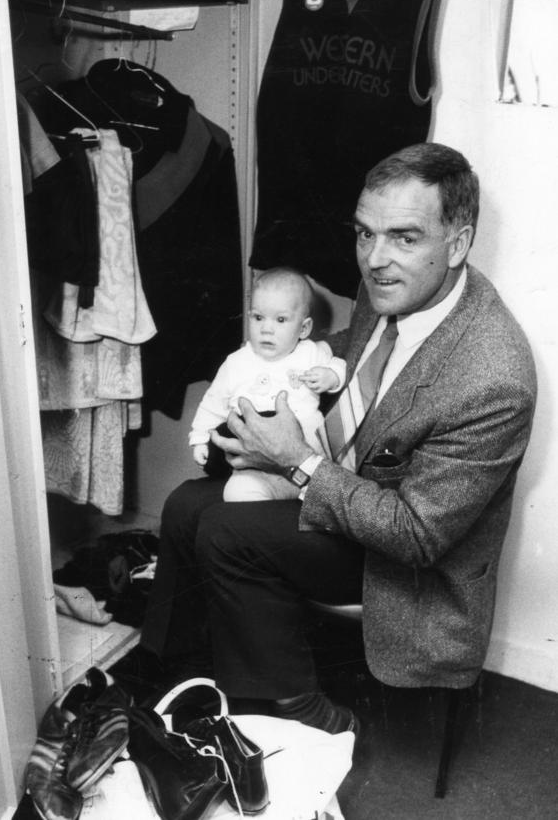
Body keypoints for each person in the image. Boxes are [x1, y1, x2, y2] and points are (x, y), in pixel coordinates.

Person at [124, 143, 537, 735]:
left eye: (404, 237)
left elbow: (416, 535)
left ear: (459, 242)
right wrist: (280, 373)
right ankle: (173, 670)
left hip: (402, 560)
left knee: (228, 530)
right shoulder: (394, 288)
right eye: (364, 234)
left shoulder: (493, 376)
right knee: (187, 502)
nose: (375, 259)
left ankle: (291, 702)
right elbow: (351, 350)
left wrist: (296, 459)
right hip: (346, 489)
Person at [189, 266, 346, 502]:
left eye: (280, 319)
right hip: (255, 465)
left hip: (307, 458)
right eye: (258, 317)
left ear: (304, 328)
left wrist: (330, 377)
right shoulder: (237, 362)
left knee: (328, 490)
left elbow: (340, 366)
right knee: (236, 493)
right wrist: (199, 437)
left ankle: (310, 505)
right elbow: (213, 402)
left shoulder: (311, 353)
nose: (266, 329)